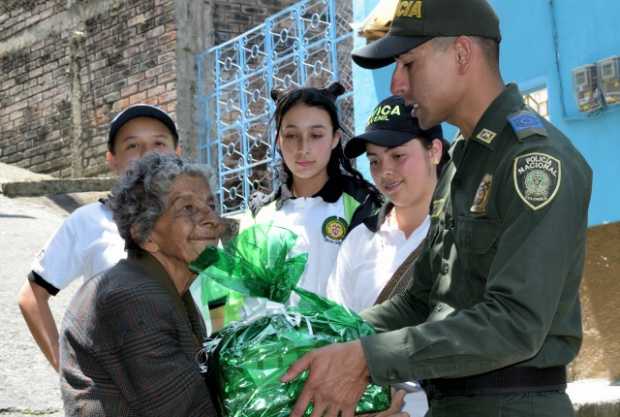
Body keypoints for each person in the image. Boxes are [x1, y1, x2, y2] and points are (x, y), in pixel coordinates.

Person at [282, 1, 593, 416]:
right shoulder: (464, 162)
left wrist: (368, 357)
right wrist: (331, 338)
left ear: (462, 53)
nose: (398, 82)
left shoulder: (532, 161)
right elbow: (421, 299)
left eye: (409, 63)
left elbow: (515, 323)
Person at [17, 104, 180, 371]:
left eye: (159, 142)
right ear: (112, 159)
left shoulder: (199, 223)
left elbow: (221, 303)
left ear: (177, 152)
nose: (148, 154)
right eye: (132, 145)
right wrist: (68, 372)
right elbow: (31, 298)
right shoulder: (89, 221)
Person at [59, 152, 218, 417]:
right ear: (146, 235)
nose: (212, 218)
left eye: (210, 204)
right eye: (187, 208)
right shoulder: (132, 298)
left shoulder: (168, 288)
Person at [326, 96, 447, 417]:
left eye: (398, 156)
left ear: (434, 151)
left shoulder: (466, 231)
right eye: (375, 160)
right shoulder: (358, 241)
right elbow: (337, 336)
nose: (385, 172)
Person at [230, 82, 383, 319]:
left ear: (335, 139)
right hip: (271, 351)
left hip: (342, 350)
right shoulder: (259, 214)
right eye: (292, 135)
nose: (304, 148)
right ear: (279, 140)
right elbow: (240, 297)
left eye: (316, 135)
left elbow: (373, 291)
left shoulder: (362, 204)